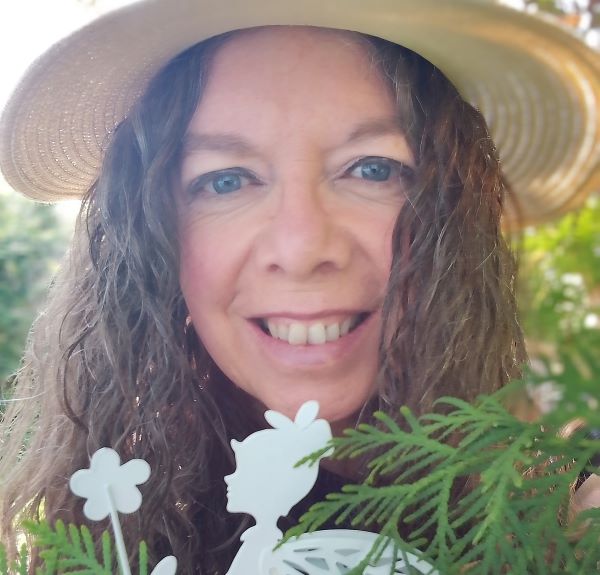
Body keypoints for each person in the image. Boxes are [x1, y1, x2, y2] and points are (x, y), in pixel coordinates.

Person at [0, 1, 598, 573]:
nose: (302, 249)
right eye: (226, 180)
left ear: (458, 213)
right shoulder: (112, 532)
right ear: (153, 240)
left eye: (373, 169)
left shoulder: (566, 504)